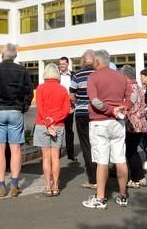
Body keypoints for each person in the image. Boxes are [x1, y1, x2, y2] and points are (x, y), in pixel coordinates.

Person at [0, 43, 33, 198]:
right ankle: (15, 185)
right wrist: (23, 107)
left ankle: (2, 185)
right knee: (16, 149)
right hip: (16, 111)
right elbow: (28, 92)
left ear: (2, 55)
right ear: (15, 55)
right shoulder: (22, 71)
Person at [82, 50, 132, 209]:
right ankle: (123, 196)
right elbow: (133, 97)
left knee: (102, 161)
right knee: (120, 159)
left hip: (100, 122)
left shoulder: (93, 77)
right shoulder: (121, 77)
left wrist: (111, 110)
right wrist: (123, 108)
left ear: (96, 62)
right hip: (118, 123)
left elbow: (95, 101)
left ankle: (101, 198)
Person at [34, 63, 71, 197]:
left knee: (46, 157)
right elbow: (66, 110)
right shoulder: (62, 89)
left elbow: (40, 108)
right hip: (58, 125)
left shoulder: (40, 88)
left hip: (42, 124)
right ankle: (56, 186)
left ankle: (47, 186)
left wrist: (48, 122)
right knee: (55, 157)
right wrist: (54, 121)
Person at [70, 50, 98, 189]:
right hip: (98, 113)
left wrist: (78, 102)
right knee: (99, 144)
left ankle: (93, 180)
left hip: (82, 113)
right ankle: (102, 174)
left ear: (83, 61)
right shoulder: (99, 73)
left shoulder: (77, 75)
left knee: (86, 146)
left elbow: (72, 95)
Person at [120, 65, 147, 189]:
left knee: (130, 151)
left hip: (133, 124)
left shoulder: (130, 88)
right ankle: (140, 176)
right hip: (141, 123)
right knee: (133, 151)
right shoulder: (139, 87)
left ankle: (135, 178)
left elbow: (128, 106)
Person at [57, 57, 76, 161]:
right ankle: (57, 153)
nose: (61, 65)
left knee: (69, 130)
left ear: (68, 64)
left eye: (63, 64)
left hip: (70, 107)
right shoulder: (56, 76)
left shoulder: (73, 75)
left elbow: (76, 90)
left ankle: (70, 154)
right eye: (60, 64)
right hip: (58, 107)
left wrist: (74, 104)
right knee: (58, 129)